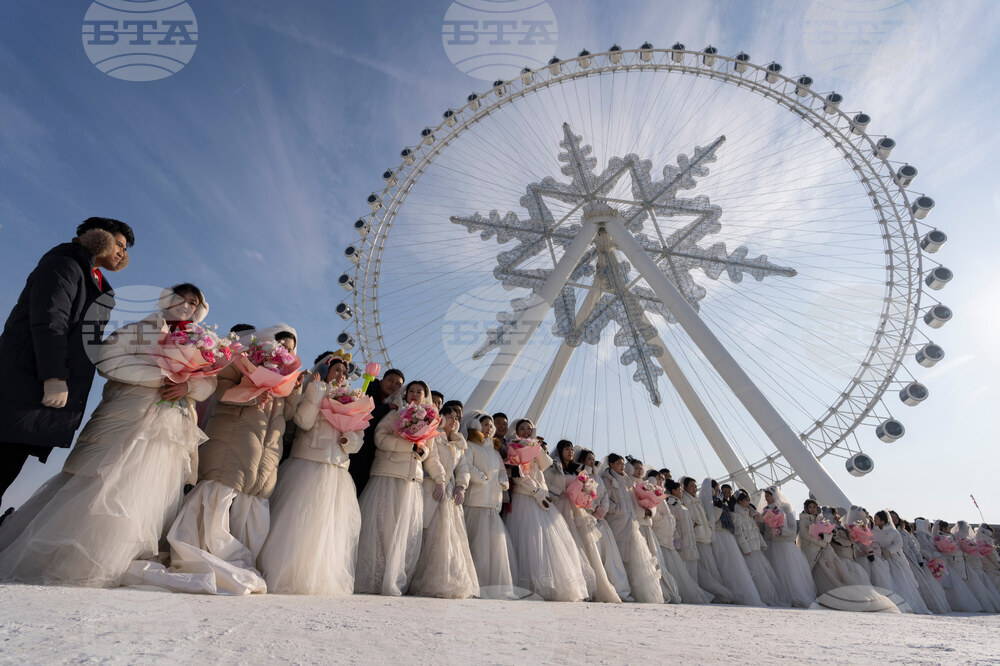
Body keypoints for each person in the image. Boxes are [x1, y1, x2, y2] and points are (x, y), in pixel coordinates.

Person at [0, 285, 210, 587]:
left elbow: (208, 383)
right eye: (182, 298)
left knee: (145, 490)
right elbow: (108, 360)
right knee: (100, 481)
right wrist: (161, 377)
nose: (187, 306)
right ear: (167, 299)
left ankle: (124, 558)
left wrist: (187, 387)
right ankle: (70, 558)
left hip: (169, 427)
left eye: (194, 303)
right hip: (126, 416)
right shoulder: (141, 329)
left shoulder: (199, 343)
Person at [157, 324, 304, 595]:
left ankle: (240, 556)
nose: (285, 350)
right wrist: (252, 392)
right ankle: (203, 551)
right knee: (221, 485)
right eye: (281, 344)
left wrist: (294, 390)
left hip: (267, 445)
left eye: (291, 349)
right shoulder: (242, 359)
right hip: (234, 430)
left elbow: (289, 414)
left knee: (252, 498)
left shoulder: (285, 376)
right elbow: (221, 390)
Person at [0, 217, 133, 506]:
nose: (122, 252)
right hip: (25, 383)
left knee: (7, 470)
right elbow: (50, 319)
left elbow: (85, 340)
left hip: (41, 398)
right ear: (98, 237)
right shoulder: (65, 264)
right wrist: (54, 376)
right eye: (118, 244)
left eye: (126, 249)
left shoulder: (97, 284)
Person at [256, 355, 363, 595]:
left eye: (344, 373)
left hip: (336, 468)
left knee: (326, 528)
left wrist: (348, 440)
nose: (341, 376)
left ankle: (316, 577)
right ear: (325, 370)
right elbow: (303, 421)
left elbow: (358, 439)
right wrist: (316, 393)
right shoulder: (313, 390)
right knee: (296, 521)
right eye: (336, 370)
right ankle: (283, 573)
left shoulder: (351, 400)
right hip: (308, 462)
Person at [355, 380, 432, 596]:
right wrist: (410, 445)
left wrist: (421, 452)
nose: (415, 394)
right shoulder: (395, 414)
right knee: (382, 527)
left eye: (420, 392)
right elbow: (380, 438)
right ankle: (373, 576)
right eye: (412, 391)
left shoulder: (428, 419)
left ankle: (394, 577)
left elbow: (428, 450)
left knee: (403, 531)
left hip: (411, 479)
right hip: (388, 474)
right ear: (405, 394)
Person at [504, 418, 588, 601]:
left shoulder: (534, 446)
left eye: (529, 428)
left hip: (541, 495)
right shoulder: (512, 446)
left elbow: (546, 464)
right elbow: (517, 475)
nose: (526, 431)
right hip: (525, 496)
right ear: (516, 430)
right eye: (523, 428)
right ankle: (527, 584)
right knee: (527, 538)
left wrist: (535, 445)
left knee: (544, 539)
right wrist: (535, 491)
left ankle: (548, 584)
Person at [409, 404, 478, 599]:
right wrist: (439, 479)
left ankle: (448, 578)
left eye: (457, 418)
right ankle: (418, 578)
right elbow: (432, 458)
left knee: (449, 536)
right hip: (433, 487)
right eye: (450, 417)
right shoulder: (434, 435)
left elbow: (463, 467)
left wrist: (461, 486)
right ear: (441, 418)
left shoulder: (458, 443)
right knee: (428, 530)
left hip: (449, 492)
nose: (454, 421)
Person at [545, 440, 618, 603]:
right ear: (560, 451)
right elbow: (546, 483)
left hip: (575, 509)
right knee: (562, 543)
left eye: (572, 449)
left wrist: (585, 495)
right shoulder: (553, 466)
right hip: (558, 506)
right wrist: (559, 493)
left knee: (580, 545)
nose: (570, 452)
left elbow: (584, 487)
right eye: (566, 449)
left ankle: (584, 585)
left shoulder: (578, 469)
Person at [460, 412, 518, 599]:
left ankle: (491, 584)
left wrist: (503, 481)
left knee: (493, 546)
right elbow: (467, 465)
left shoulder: (494, 449)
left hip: (493, 502)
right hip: (476, 500)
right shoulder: (470, 445)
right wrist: (481, 478)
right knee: (475, 543)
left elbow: (502, 470)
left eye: (491, 425)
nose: (489, 428)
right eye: (485, 424)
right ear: (476, 425)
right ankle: (473, 582)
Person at [601, 454, 663, 603]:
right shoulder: (607, 480)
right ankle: (620, 588)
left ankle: (632, 590)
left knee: (631, 557)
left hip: (631, 523)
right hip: (616, 522)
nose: (622, 466)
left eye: (623, 463)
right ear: (611, 464)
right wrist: (618, 510)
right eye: (618, 463)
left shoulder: (627, 481)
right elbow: (605, 499)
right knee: (618, 556)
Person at [576, 448, 632, 602]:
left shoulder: (598, 478)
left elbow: (605, 496)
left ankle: (616, 586)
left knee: (609, 556)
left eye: (593, 459)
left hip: (600, 519)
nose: (592, 462)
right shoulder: (581, 476)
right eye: (588, 459)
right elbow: (579, 494)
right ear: (582, 461)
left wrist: (602, 510)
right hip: (585, 517)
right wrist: (591, 509)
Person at [701, 478, 762, 606]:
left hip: (727, 535)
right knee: (724, 564)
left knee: (733, 565)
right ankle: (726, 591)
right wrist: (718, 505)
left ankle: (737, 592)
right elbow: (713, 519)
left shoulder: (721, 502)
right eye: (717, 490)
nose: (719, 492)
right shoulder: (709, 503)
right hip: (719, 535)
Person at [650, 477, 710, 604]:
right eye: (679, 489)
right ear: (673, 490)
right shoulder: (671, 504)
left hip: (689, 540)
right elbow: (673, 523)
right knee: (685, 570)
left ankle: (692, 594)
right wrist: (676, 540)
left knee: (691, 571)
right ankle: (687, 594)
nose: (682, 491)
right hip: (681, 542)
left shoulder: (680, 503)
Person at [350, 368, 404, 497]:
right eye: (390, 380)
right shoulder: (366, 392)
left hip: (375, 457)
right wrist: (385, 409)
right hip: (357, 449)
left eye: (398, 384)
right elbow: (362, 417)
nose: (393, 385)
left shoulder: (399, 406)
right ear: (381, 381)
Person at [680, 476, 733, 603]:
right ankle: (717, 593)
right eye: (691, 486)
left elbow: (709, 518)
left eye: (695, 486)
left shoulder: (697, 501)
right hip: (697, 538)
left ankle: (715, 594)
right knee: (704, 572)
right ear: (685, 487)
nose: (694, 488)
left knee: (709, 570)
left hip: (704, 537)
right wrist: (695, 524)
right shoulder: (685, 501)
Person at [761, 486, 816, 608]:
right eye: (765, 496)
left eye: (768, 496)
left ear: (774, 496)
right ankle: (775, 595)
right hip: (770, 543)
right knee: (773, 571)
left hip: (783, 545)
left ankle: (790, 596)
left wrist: (781, 531)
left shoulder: (786, 508)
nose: (766, 498)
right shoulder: (765, 510)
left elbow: (792, 529)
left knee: (786, 572)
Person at [873, 510, 931, 614]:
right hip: (880, 558)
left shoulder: (893, 532)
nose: (874, 520)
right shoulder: (874, 531)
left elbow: (898, 545)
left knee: (900, 580)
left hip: (894, 560)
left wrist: (888, 551)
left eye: (876, 518)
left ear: (882, 520)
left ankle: (904, 604)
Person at [731, 490, 783, 606]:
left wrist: (762, 543)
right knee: (754, 575)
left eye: (749, 500)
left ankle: (765, 596)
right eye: (745, 500)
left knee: (763, 575)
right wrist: (746, 549)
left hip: (756, 548)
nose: (748, 502)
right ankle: (756, 596)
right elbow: (738, 534)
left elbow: (756, 530)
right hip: (748, 550)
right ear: (739, 501)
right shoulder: (737, 515)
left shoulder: (750, 514)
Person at [892, 511, 950, 614]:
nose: (894, 519)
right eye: (892, 517)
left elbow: (913, 547)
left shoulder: (904, 533)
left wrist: (919, 559)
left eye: (896, 517)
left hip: (910, 560)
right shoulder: (891, 532)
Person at [924, 519, 981, 612]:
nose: (949, 529)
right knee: (950, 583)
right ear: (943, 528)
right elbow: (946, 549)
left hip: (954, 559)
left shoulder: (950, 537)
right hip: (949, 560)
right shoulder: (940, 537)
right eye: (947, 527)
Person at [797, 499, 850, 595]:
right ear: (806, 508)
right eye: (810, 507)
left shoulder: (821, 519)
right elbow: (805, 536)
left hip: (823, 550)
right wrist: (822, 543)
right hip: (810, 549)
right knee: (809, 571)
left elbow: (829, 535)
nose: (812, 509)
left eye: (814, 507)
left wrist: (824, 537)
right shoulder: (804, 520)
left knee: (828, 571)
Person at [952, 520, 1000, 612]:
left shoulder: (975, 540)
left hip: (980, 567)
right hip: (987, 568)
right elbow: (993, 557)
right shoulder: (986, 541)